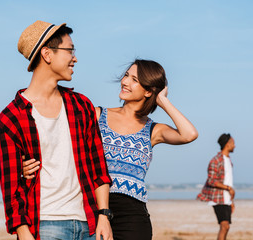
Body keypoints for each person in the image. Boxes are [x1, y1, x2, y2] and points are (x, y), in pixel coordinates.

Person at [24, 59, 198, 239]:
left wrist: (162, 100)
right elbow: (60, 143)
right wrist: (27, 163)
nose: (125, 82)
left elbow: (189, 134)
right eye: (126, 76)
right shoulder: (97, 115)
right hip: (94, 209)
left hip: (133, 218)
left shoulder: (153, 130)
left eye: (135, 80)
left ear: (148, 91)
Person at [0, 20, 113, 240]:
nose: (75, 58)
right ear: (47, 54)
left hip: (89, 225)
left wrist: (104, 216)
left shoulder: (82, 105)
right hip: (45, 226)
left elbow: (99, 168)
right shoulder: (10, 119)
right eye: (70, 50)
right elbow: (11, 190)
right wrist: (24, 233)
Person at [197, 133, 236, 240]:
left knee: (226, 227)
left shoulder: (228, 160)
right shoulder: (216, 160)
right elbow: (211, 180)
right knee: (225, 226)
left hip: (226, 199)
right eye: (233, 143)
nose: (235, 146)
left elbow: (228, 181)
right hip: (218, 198)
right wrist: (228, 188)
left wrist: (231, 201)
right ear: (228, 144)